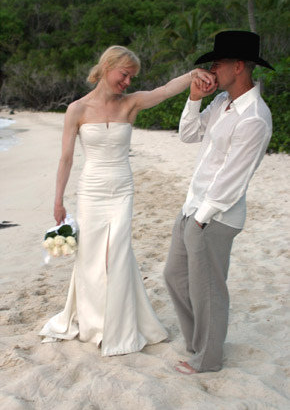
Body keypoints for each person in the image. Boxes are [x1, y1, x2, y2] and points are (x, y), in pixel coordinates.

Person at [39, 45, 215, 356]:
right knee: (91, 257)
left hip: (122, 189)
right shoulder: (77, 110)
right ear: (107, 67)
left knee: (118, 253)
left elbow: (162, 91)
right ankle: (93, 324)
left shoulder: (130, 104)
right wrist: (58, 202)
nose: (128, 82)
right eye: (125, 74)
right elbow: (66, 158)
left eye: (132, 77)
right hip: (91, 191)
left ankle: (117, 327)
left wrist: (191, 75)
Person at [164, 31, 274, 374]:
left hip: (214, 216)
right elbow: (188, 134)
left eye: (218, 63)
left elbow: (232, 179)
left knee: (208, 290)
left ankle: (208, 359)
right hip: (192, 207)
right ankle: (198, 344)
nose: (212, 69)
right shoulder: (221, 103)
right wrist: (195, 98)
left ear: (238, 66)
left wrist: (201, 219)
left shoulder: (254, 116)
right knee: (174, 277)